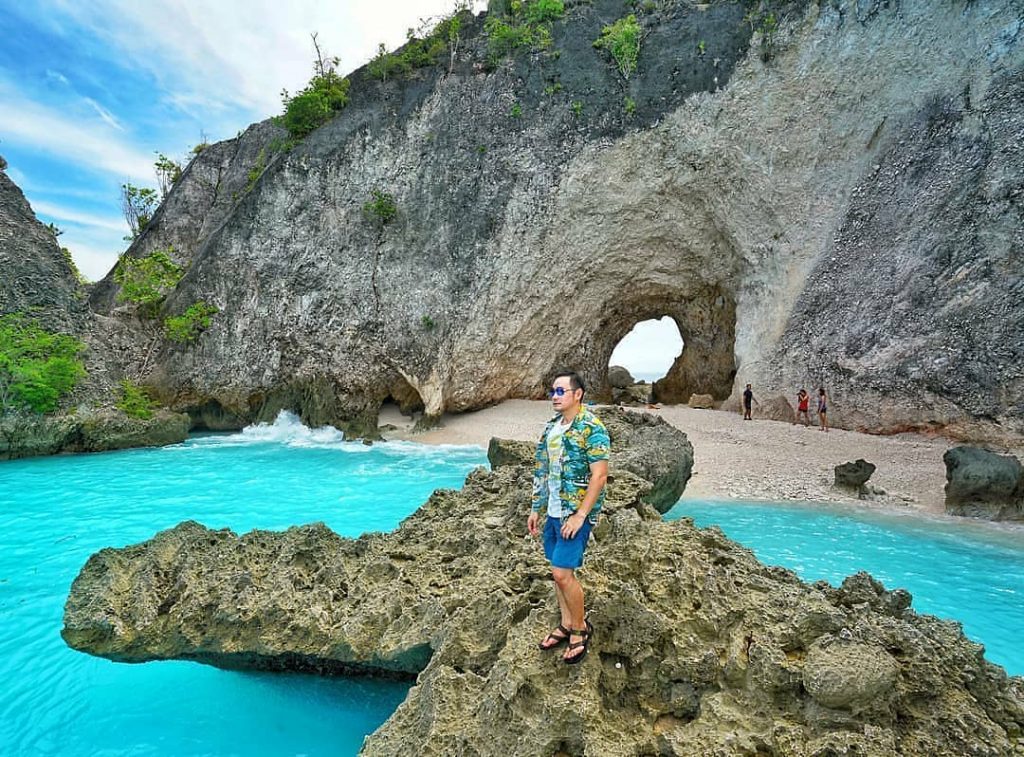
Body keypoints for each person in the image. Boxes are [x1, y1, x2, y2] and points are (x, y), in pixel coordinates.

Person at [527, 371, 609, 665]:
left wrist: (580, 515)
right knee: (557, 573)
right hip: (552, 512)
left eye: (561, 391)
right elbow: (543, 471)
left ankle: (580, 629)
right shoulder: (551, 428)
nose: (555, 396)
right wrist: (536, 508)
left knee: (563, 574)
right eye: (553, 391)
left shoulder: (592, 428)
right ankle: (565, 623)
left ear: (578, 394)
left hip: (575, 514)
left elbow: (600, 476)